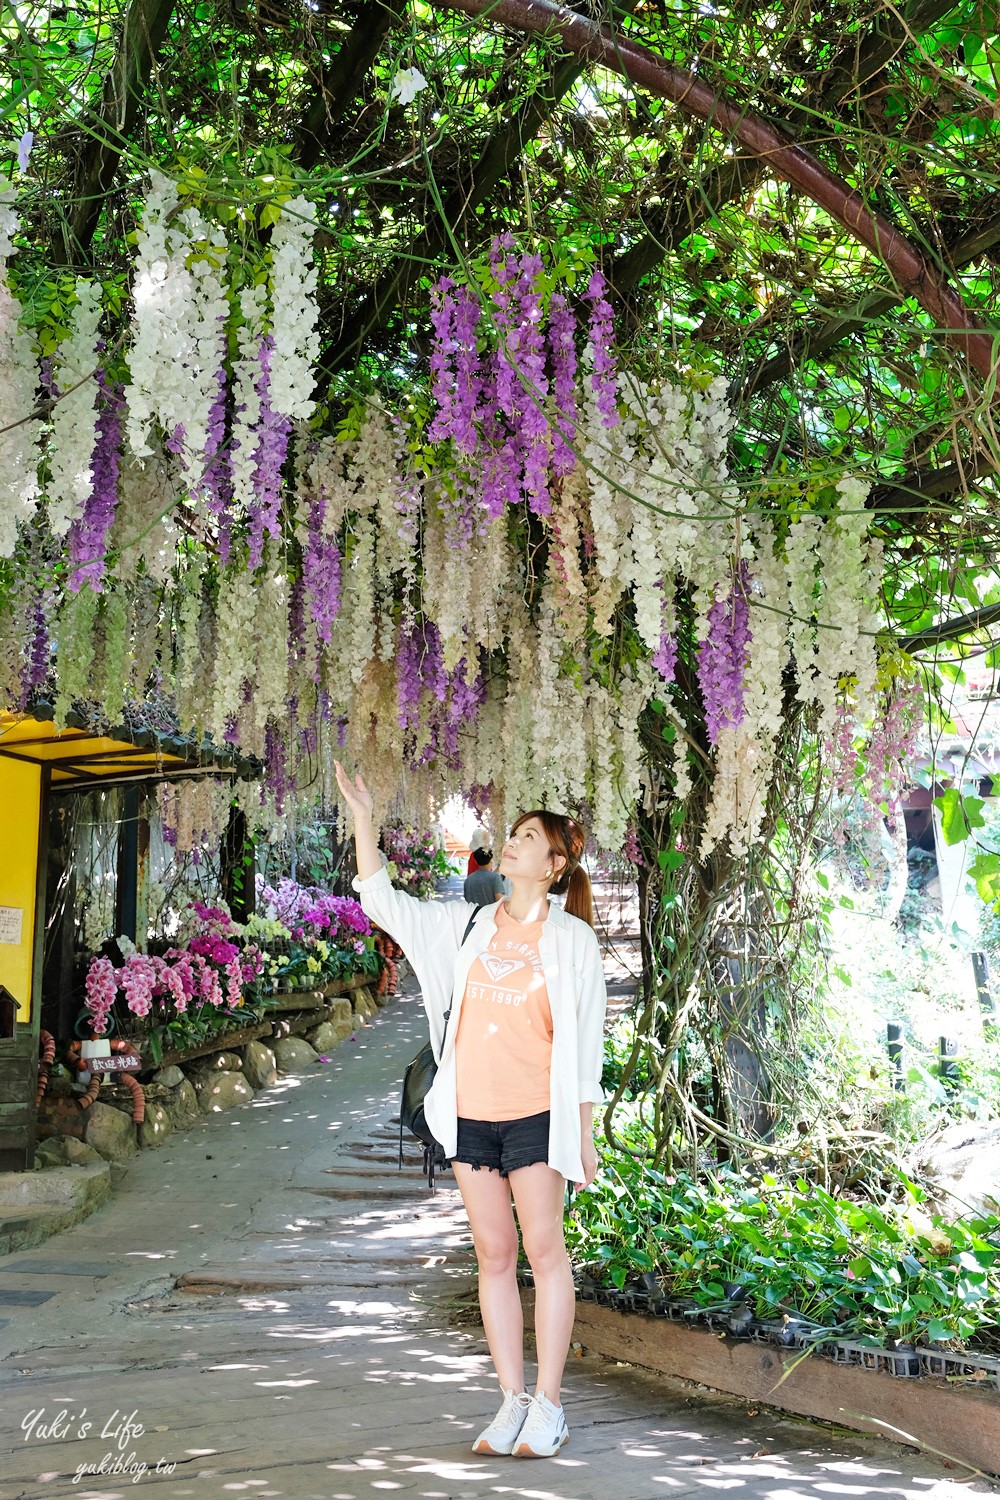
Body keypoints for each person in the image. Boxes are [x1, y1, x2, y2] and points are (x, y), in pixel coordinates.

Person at [334, 760, 606, 1460]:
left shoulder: (572, 941)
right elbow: (383, 902)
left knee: (545, 1254)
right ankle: (511, 1399)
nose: (509, 844)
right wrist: (365, 821)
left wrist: (585, 1133)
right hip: (471, 1115)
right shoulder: (468, 926)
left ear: (553, 864)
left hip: (536, 1118)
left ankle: (550, 1405)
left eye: (525, 838)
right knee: (493, 1254)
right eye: (510, 834)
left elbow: (586, 1045)